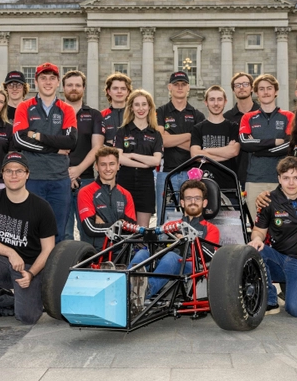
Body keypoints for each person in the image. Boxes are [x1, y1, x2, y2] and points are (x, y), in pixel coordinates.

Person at [0, 151, 57, 325]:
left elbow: (48, 250)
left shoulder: (42, 207)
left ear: (27, 174)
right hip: (1, 263)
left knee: (28, 317)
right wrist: (10, 252)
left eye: (19, 170)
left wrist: (31, 274)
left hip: (28, 269)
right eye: (8, 170)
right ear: (2, 174)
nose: (13, 175)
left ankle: (9, 298)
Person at [249, 156, 297, 317]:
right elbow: (259, 231)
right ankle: (270, 300)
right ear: (279, 179)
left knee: (296, 310)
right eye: (286, 178)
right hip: (278, 258)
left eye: (296, 178)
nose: (291, 183)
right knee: (255, 250)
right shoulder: (268, 200)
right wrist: (256, 239)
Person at [12, 62, 78, 241]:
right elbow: (19, 140)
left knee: (58, 231)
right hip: (33, 178)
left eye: (52, 78)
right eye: (43, 78)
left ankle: (55, 269)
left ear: (58, 82)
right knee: (31, 231)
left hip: (59, 180)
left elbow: (71, 141)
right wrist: (56, 148)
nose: (47, 82)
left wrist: (37, 135)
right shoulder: (24, 107)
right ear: (36, 82)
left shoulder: (67, 109)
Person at [129, 179, 220, 298]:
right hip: (165, 260)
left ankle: (145, 292)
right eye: (188, 198)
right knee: (142, 253)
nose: (193, 202)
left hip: (192, 265)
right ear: (182, 203)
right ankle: (124, 288)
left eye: (197, 198)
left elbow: (210, 256)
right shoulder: (170, 225)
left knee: (171, 257)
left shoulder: (211, 229)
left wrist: (189, 241)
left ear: (204, 203)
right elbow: (156, 246)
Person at [239, 74, 294, 209]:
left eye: (269, 88)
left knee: (282, 226)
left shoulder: (289, 116)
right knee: (256, 226)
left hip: (282, 180)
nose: (266, 92)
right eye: (261, 89)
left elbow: (289, 145)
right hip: (254, 180)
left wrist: (258, 148)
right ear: (256, 92)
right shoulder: (248, 117)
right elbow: (245, 143)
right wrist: (276, 141)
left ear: (276, 91)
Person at [63, 70, 105, 240]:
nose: (74, 89)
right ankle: (64, 266)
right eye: (70, 85)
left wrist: (77, 170)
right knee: (64, 232)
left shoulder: (94, 115)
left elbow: (97, 147)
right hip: (59, 178)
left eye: (78, 85)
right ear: (63, 88)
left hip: (86, 180)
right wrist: (66, 172)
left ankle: (88, 265)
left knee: (88, 231)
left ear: (83, 88)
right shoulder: (56, 114)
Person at [156, 71, 206, 212]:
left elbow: (198, 149)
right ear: (169, 87)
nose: (179, 87)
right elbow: (161, 141)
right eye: (176, 84)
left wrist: (171, 137)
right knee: (164, 220)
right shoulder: (161, 111)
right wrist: (190, 135)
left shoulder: (198, 115)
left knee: (191, 218)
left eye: (183, 84)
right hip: (166, 173)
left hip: (192, 175)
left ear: (188, 87)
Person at [116, 89, 164, 227]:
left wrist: (131, 155)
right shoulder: (123, 131)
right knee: (123, 227)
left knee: (143, 230)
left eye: (144, 104)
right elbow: (118, 157)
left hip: (146, 184)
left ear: (149, 107)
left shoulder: (155, 134)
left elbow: (156, 161)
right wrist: (144, 163)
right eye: (137, 105)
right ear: (131, 107)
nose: (141, 108)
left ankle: (141, 250)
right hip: (125, 181)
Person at [77, 146, 137, 249]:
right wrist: (119, 224)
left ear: (118, 166)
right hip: (93, 255)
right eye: (103, 164)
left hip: (120, 254)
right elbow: (90, 229)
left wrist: (103, 225)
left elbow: (132, 230)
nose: (108, 169)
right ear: (96, 166)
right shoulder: (85, 192)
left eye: (112, 164)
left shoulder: (126, 194)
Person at [190, 85, 240, 201]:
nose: (216, 103)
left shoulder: (233, 127)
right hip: (204, 187)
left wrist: (206, 151)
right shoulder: (198, 128)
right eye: (212, 99)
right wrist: (224, 152)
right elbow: (195, 155)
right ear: (206, 102)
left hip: (229, 186)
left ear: (225, 101)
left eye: (219, 99)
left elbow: (233, 151)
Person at [224, 71, 260, 189]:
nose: (241, 88)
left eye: (245, 84)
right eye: (237, 85)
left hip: (259, 176)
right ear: (233, 90)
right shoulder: (227, 118)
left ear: (251, 88)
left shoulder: (263, 113)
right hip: (233, 177)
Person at [102, 72, 132, 147]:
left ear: (128, 92)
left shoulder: (135, 114)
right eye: (115, 88)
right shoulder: (100, 115)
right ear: (109, 91)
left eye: (123, 88)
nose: (119, 91)